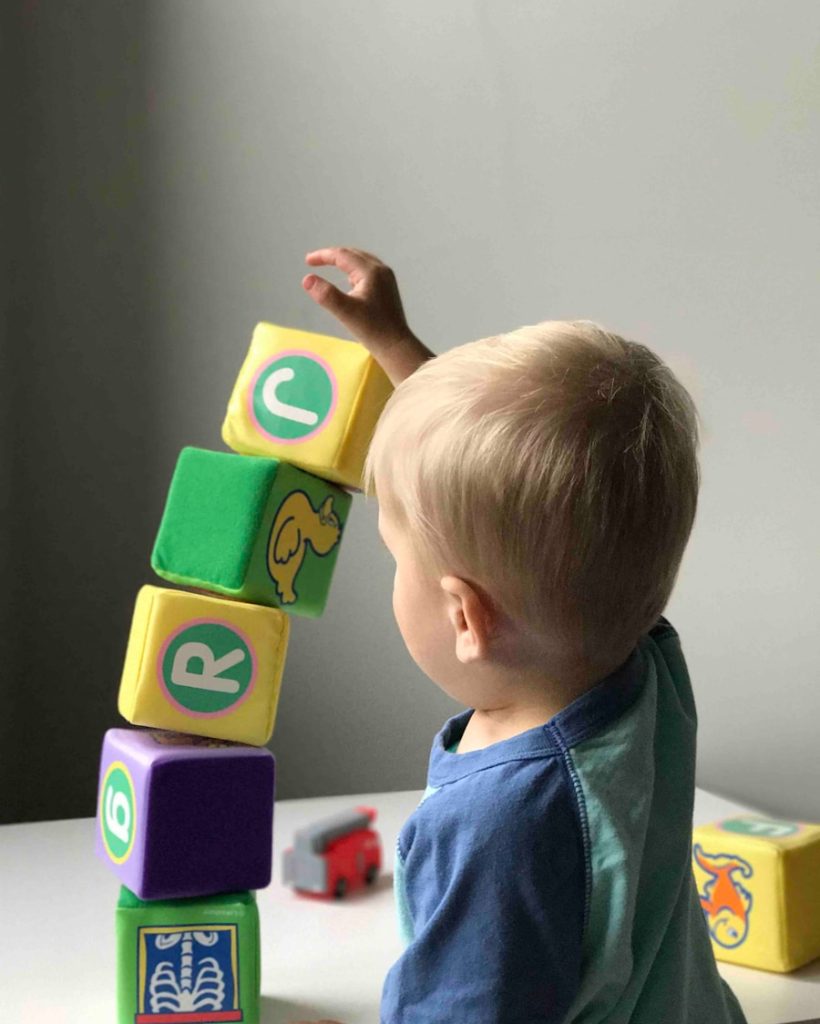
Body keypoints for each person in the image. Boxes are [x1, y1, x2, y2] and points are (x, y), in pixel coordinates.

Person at [291, 247, 748, 1024]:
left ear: (465, 617)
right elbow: (543, 509)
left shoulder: (498, 829)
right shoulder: (635, 654)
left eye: (396, 557)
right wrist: (401, 354)